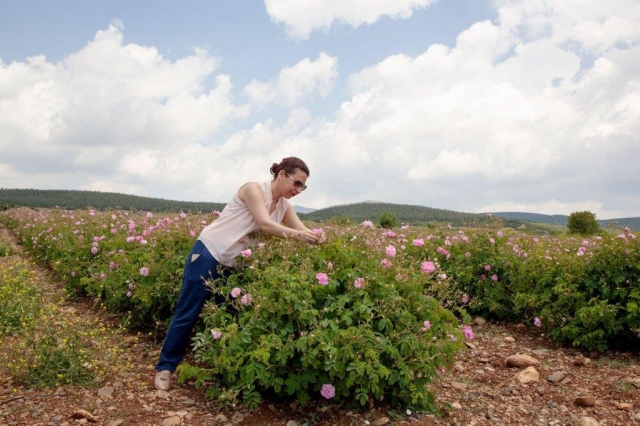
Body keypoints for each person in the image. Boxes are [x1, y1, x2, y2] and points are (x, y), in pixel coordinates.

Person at [154, 156, 323, 391]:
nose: (298, 190)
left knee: (230, 316)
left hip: (232, 265)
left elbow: (301, 229)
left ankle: (224, 374)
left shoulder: (284, 206)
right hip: (209, 253)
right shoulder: (253, 190)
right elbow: (265, 224)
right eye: (296, 183)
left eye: (303, 186)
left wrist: (316, 236)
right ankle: (165, 368)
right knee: (188, 312)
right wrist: (299, 236)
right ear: (282, 174)